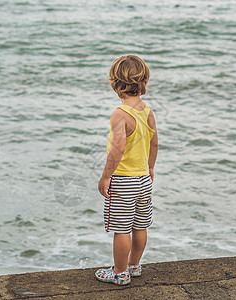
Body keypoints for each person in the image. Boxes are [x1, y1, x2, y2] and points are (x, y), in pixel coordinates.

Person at [95, 55, 158, 285]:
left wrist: (105, 176)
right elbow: (154, 142)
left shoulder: (119, 114)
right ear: (143, 81)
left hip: (123, 180)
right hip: (143, 178)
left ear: (115, 83)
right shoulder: (147, 111)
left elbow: (117, 148)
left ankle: (120, 272)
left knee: (121, 229)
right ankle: (134, 265)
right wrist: (150, 167)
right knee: (140, 225)